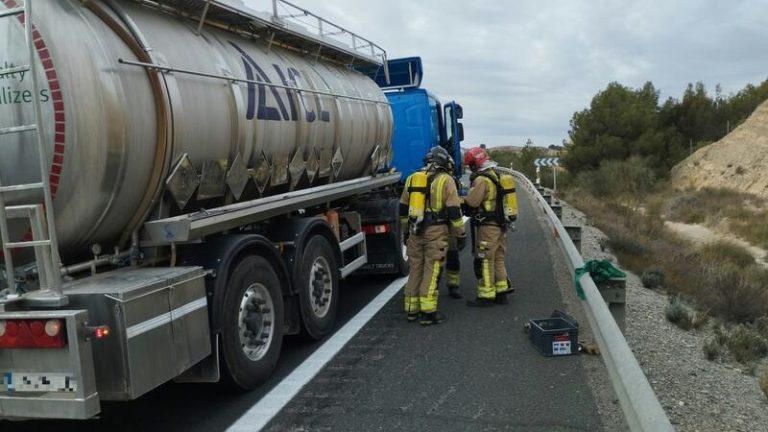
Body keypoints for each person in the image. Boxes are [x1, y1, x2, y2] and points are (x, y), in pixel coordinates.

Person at [399, 147, 467, 325]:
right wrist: (461, 234)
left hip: (415, 232)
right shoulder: (446, 180)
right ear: (444, 162)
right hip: (436, 232)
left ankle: (411, 310)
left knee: (415, 270)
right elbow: (454, 211)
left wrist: (407, 230)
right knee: (432, 270)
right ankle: (428, 313)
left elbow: (403, 208)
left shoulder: (413, 178)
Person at [462, 147, 514, 306]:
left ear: (474, 164)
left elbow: (473, 202)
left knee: (485, 260)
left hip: (487, 226)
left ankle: (485, 296)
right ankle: (501, 293)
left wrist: (461, 199)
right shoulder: (496, 175)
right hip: (501, 225)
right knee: (498, 258)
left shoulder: (482, 180)